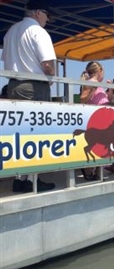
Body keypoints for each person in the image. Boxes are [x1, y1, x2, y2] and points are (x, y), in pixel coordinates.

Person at [1, 0, 56, 193]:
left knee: (20, 133)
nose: (47, 21)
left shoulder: (11, 32)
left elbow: (6, 59)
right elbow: (48, 64)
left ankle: (20, 179)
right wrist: (51, 78)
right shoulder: (38, 32)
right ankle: (34, 180)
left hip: (13, 85)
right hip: (34, 87)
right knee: (37, 134)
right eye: (47, 16)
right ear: (39, 13)